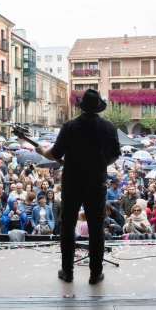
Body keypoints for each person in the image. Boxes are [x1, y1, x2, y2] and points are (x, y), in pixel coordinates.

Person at [36, 89, 120, 285]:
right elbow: (115, 155)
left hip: (72, 181)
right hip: (96, 182)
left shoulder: (70, 126)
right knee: (96, 225)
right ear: (98, 107)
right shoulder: (108, 126)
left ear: (81, 107)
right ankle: (95, 273)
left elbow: (55, 153)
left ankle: (67, 271)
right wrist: (100, 165)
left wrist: (41, 151)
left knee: (67, 224)